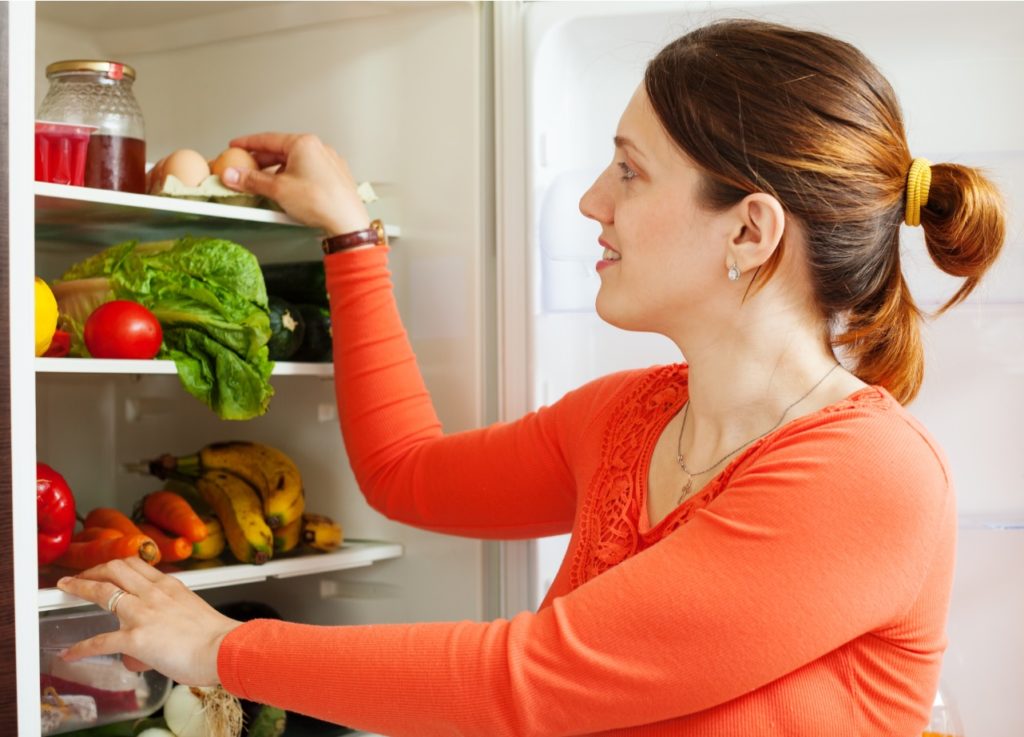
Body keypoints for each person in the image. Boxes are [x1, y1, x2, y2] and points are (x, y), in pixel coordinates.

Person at [57, 18, 1005, 737]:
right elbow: (406, 471)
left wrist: (220, 645)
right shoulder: (632, 417)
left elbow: (533, 678)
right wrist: (351, 233)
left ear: (749, 231)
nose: (592, 199)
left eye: (629, 172)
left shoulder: (864, 476)